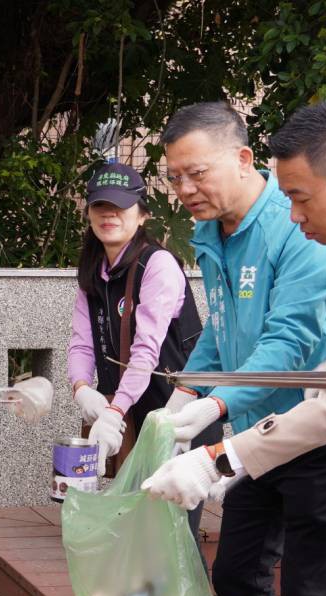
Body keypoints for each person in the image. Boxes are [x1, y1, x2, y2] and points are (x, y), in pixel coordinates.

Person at [145, 101, 326, 596]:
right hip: (269, 432)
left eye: (301, 198)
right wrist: (188, 396)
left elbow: (317, 369)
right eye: (174, 177)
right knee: (239, 575)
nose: (292, 213)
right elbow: (221, 327)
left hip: (317, 438)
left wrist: (217, 453)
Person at [64, 161, 220, 539]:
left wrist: (114, 411)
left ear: (143, 214)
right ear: (87, 212)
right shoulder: (94, 270)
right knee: (133, 530)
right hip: (130, 415)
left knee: (172, 535)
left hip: (179, 412)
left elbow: (146, 350)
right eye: (100, 206)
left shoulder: (158, 264)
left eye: (120, 206)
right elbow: (82, 341)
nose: (109, 214)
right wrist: (81, 388)